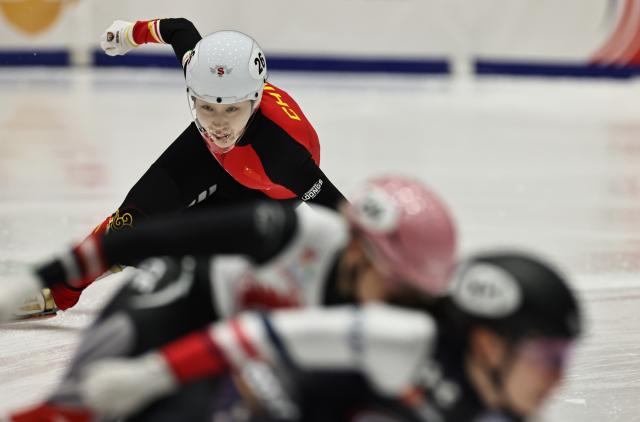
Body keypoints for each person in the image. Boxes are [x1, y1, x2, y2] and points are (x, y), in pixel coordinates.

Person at [3, 176, 457, 421]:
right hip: (178, 300)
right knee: (74, 409)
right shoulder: (297, 233)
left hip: (235, 345)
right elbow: (148, 237)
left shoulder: (394, 312)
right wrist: (42, 277)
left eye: (416, 296)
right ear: (360, 251)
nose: (403, 308)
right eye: (399, 287)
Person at [30, 17, 348, 315]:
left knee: (174, 248)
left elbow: (349, 223)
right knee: (130, 221)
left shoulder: (284, 155)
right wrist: (130, 33)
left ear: (254, 101)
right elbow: (178, 29)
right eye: (206, 106)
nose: (218, 126)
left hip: (265, 190)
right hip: (213, 156)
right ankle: (58, 293)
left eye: (232, 110)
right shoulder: (203, 72)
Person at [77, 252, 582, 422]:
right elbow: (257, 333)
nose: (559, 379)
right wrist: (150, 374)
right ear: (490, 345)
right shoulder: (401, 339)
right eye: (549, 356)